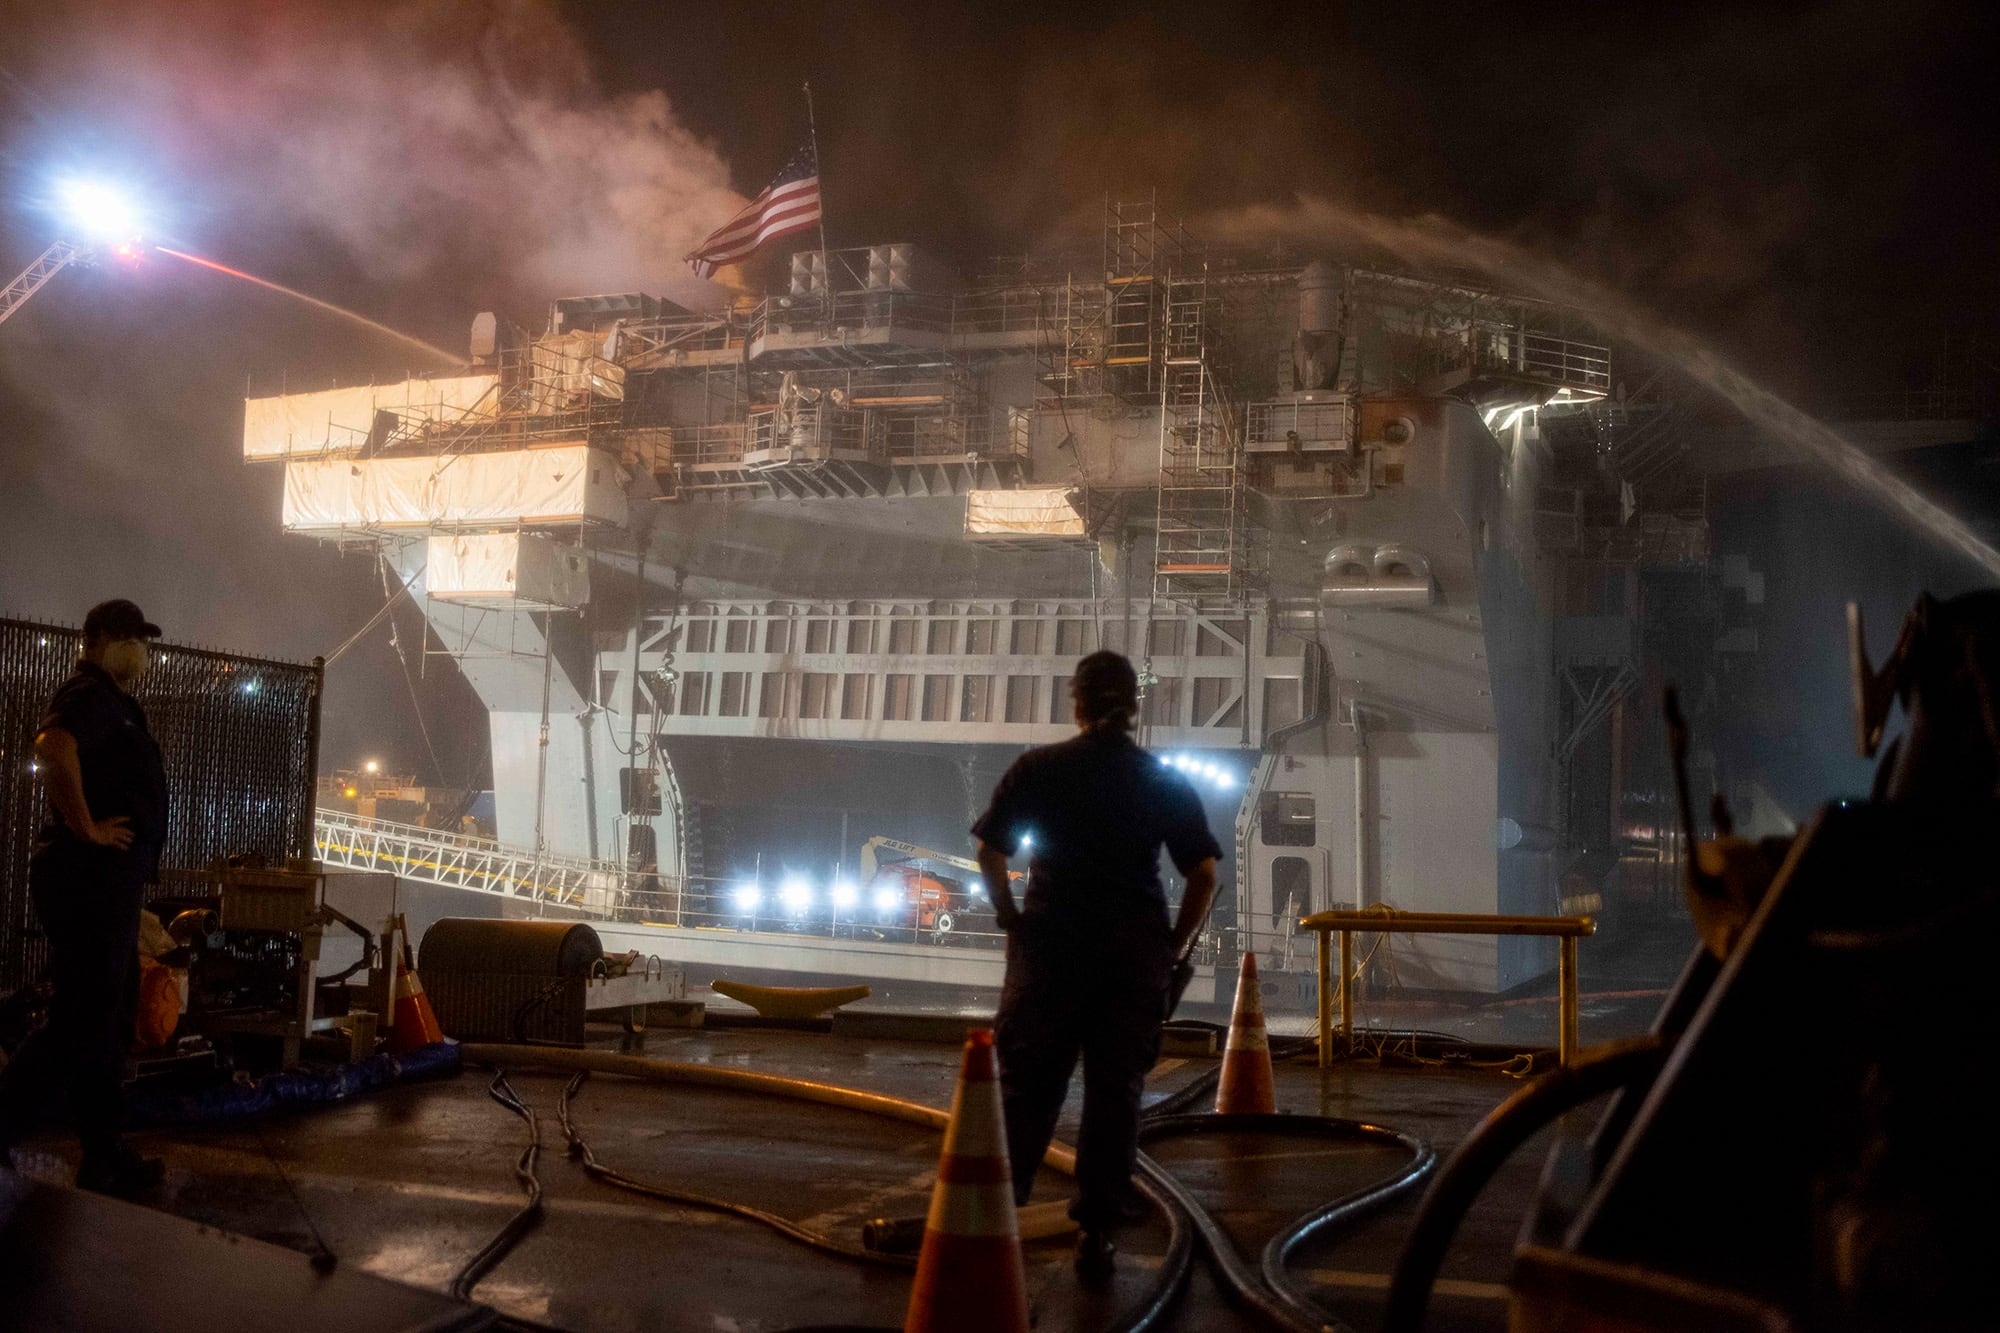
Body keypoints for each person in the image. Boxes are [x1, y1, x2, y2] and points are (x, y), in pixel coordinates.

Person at [972, 649, 1220, 1281]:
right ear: (1135, 706)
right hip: (1131, 959)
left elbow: (990, 853)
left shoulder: (1039, 768)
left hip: (1050, 951)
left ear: (1076, 702)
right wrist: (1172, 949)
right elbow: (1203, 875)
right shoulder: (1160, 778)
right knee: (1116, 1096)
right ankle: (1098, 1236)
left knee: (1027, 1091)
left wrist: (1011, 920)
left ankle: (995, 1226)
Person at [0, 599, 168, 1196]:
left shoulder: (120, 704)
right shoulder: (90, 693)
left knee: (109, 1018)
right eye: (134, 640)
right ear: (100, 640)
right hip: (87, 878)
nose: (144, 652)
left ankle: (104, 1156)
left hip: (109, 883)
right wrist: (87, 827)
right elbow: (52, 747)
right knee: (82, 1016)